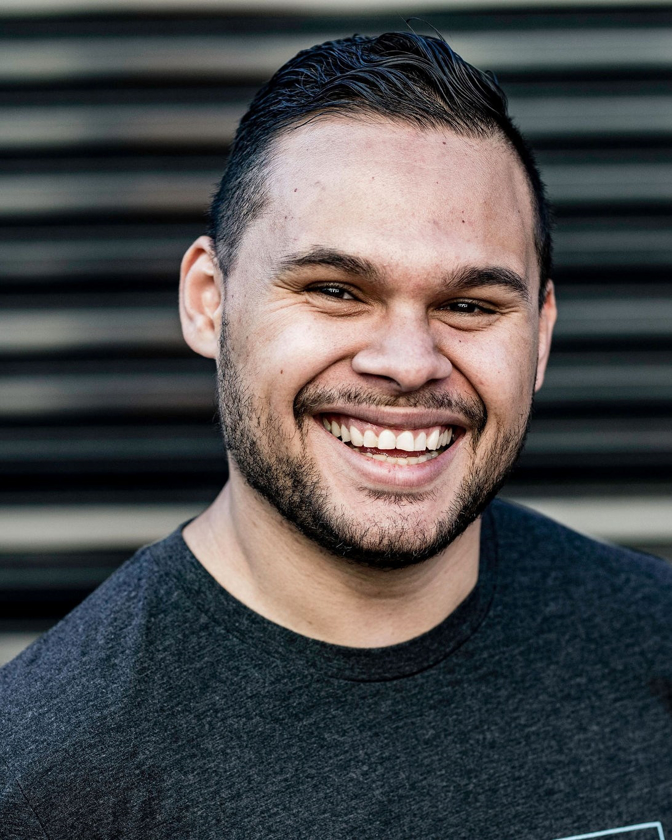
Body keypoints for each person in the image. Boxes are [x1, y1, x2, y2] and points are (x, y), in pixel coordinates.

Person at [1, 32, 670, 840]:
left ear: (541, 334)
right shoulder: (43, 777)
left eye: (470, 306)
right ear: (210, 301)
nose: (409, 363)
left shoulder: (655, 647)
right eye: (335, 290)